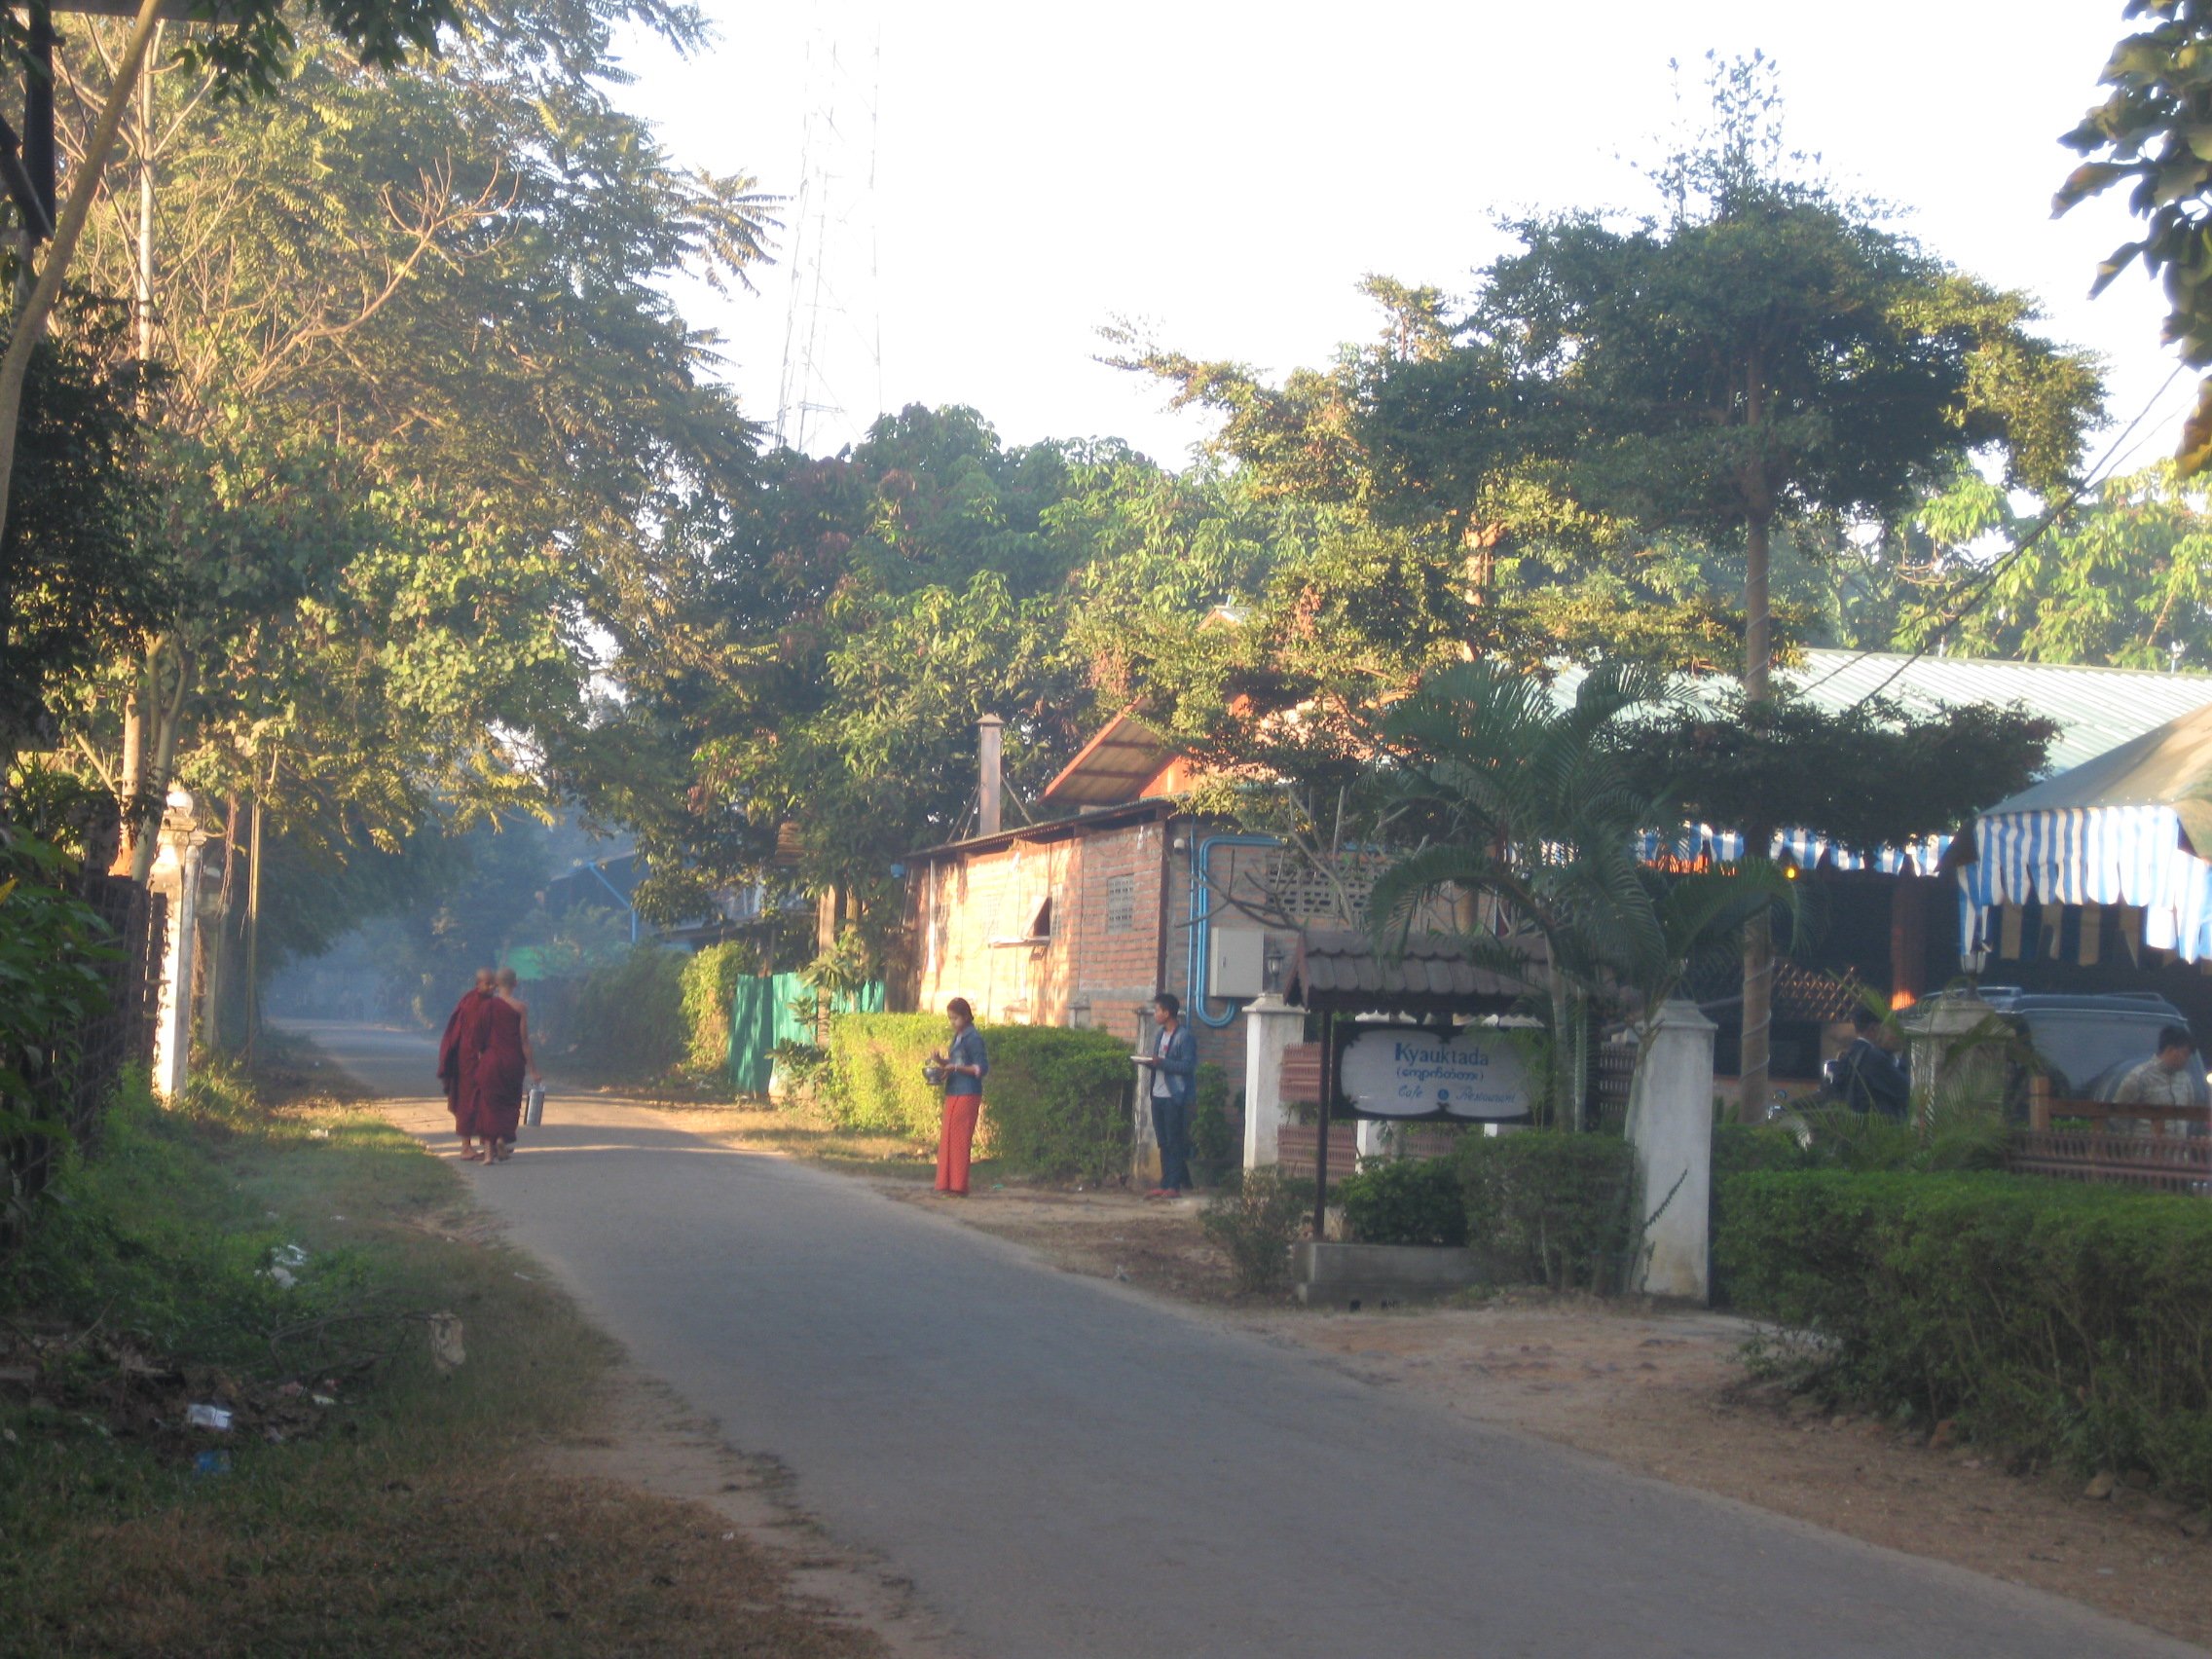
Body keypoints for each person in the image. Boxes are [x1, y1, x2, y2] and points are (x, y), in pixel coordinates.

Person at [469, 966, 541, 1164]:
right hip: (513, 1061)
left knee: (488, 1105)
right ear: (515, 984)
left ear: (496, 984)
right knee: (509, 1103)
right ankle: (501, 1139)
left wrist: (480, 1061)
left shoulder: (486, 1006)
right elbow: (524, 1041)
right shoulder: (520, 1007)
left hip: (491, 1060)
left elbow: (478, 1039)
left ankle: (488, 1154)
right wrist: (533, 1070)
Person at [1136, 991, 1197, 1198]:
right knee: (1162, 1140)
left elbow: (1188, 1066)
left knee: (1174, 1140)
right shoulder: (1161, 1035)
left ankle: (1174, 1185)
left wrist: (1161, 1063)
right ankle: (1165, 1182)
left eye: (1158, 1010)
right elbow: (1158, 1061)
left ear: (1167, 1012)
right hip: (1158, 1094)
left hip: (1174, 1095)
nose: (1155, 1014)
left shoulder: (1184, 1037)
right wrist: (1148, 1062)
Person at [928, 997, 988, 1197]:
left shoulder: (974, 1038)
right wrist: (942, 1062)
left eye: (955, 1018)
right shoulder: (957, 1038)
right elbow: (953, 1062)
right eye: (950, 1019)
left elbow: (981, 1068)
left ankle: (958, 1186)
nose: (952, 1022)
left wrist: (956, 1067)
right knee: (947, 1138)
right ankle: (944, 1183)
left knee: (960, 1139)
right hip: (953, 1090)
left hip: (968, 1092)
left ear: (966, 1016)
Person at [436, 969, 497, 1161]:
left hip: (475, 1057)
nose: (492, 986)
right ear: (478, 984)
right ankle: (466, 1147)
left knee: (484, 1100)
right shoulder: (473, 1003)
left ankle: (491, 1143)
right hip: (470, 1060)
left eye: (493, 983)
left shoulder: (483, 1001)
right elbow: (475, 1033)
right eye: (488, 983)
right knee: (468, 1102)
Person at [1831, 1005, 1910, 1122]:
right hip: (1877, 1130)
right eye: (1890, 1027)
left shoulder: (1850, 1054)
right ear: (1874, 1029)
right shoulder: (1873, 1058)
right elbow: (1907, 1090)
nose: (1896, 1033)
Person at [2114, 1025, 2201, 1109]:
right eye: (2185, 1054)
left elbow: (2190, 1115)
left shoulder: (2185, 1079)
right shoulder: (2139, 1077)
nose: (2187, 1059)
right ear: (2170, 1050)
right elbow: (2117, 1114)